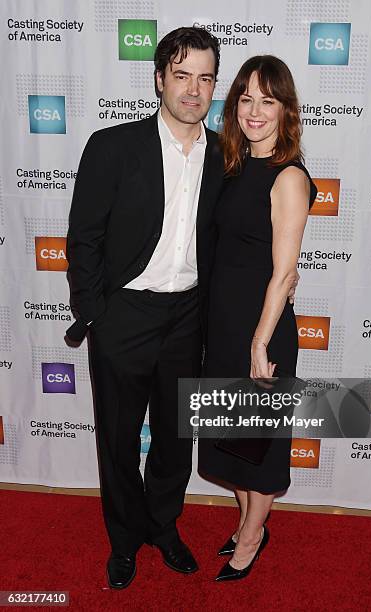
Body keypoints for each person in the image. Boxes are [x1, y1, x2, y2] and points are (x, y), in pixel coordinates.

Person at [66, 27, 225, 589]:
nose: (193, 89)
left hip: (188, 317)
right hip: (124, 317)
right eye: (181, 76)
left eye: (205, 78)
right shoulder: (113, 146)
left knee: (176, 438)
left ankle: (163, 527)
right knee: (117, 438)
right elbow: (83, 237)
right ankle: (125, 540)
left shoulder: (227, 157)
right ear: (159, 80)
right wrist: (95, 316)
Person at [198, 55, 317, 581]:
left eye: (267, 100)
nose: (254, 110)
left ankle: (251, 537)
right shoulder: (230, 164)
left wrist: (259, 343)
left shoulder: (288, 176)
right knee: (233, 440)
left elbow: (285, 273)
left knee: (260, 446)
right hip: (223, 326)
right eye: (245, 98)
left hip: (261, 331)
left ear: (285, 110)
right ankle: (249, 520)